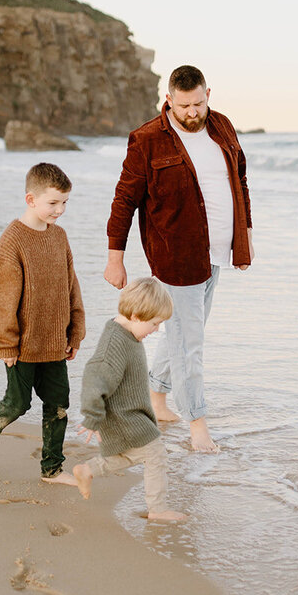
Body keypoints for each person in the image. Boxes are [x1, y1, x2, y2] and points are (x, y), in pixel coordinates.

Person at [104, 65, 254, 453]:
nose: (192, 112)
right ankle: (197, 425)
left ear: (209, 95)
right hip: (175, 256)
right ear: (169, 99)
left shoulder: (222, 126)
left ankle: (155, 399)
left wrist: (245, 237)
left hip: (216, 255)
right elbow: (124, 200)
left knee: (183, 332)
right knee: (191, 343)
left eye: (198, 104)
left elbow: (240, 180)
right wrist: (114, 258)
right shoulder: (147, 139)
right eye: (183, 105)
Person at [0, 162, 87, 491]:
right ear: (31, 199)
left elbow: (71, 286)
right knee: (17, 403)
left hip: (54, 341)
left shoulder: (59, 237)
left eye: (64, 203)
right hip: (22, 345)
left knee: (59, 403)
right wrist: (6, 344)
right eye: (53, 203)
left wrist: (75, 331)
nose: (60, 210)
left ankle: (52, 468)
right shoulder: (13, 240)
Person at [74, 278, 187, 523]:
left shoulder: (127, 333)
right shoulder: (116, 343)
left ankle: (88, 470)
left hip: (131, 413)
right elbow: (95, 376)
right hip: (125, 417)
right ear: (135, 316)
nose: (156, 329)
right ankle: (158, 509)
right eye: (155, 323)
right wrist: (92, 417)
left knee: (129, 456)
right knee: (155, 453)